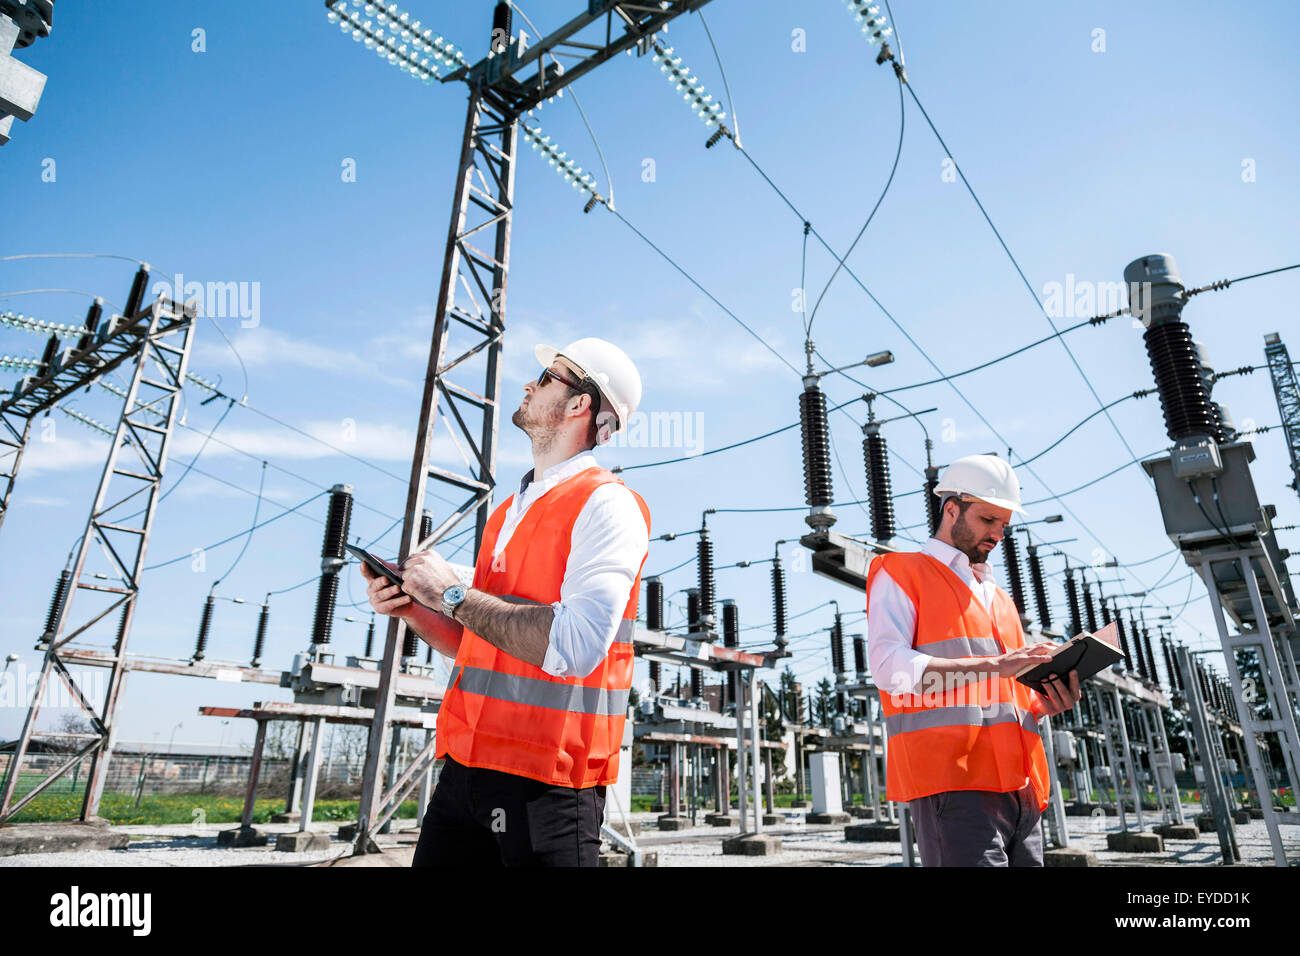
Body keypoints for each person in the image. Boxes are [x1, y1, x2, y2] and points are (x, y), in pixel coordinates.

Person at [361, 337, 650, 867]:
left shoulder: (608, 504)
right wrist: (415, 607)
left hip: (548, 788)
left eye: (546, 377)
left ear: (579, 404)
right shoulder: (507, 512)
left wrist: (450, 592)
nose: (529, 383)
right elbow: (480, 645)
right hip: (464, 771)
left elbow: (577, 645)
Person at [865, 454, 1082, 866]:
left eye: (1004, 524)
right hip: (955, 785)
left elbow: (1009, 696)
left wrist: (1048, 702)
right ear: (952, 509)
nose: (998, 533)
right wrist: (995, 666)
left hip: (1022, 788)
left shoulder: (1001, 600)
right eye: (987, 520)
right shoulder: (901, 573)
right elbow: (890, 670)